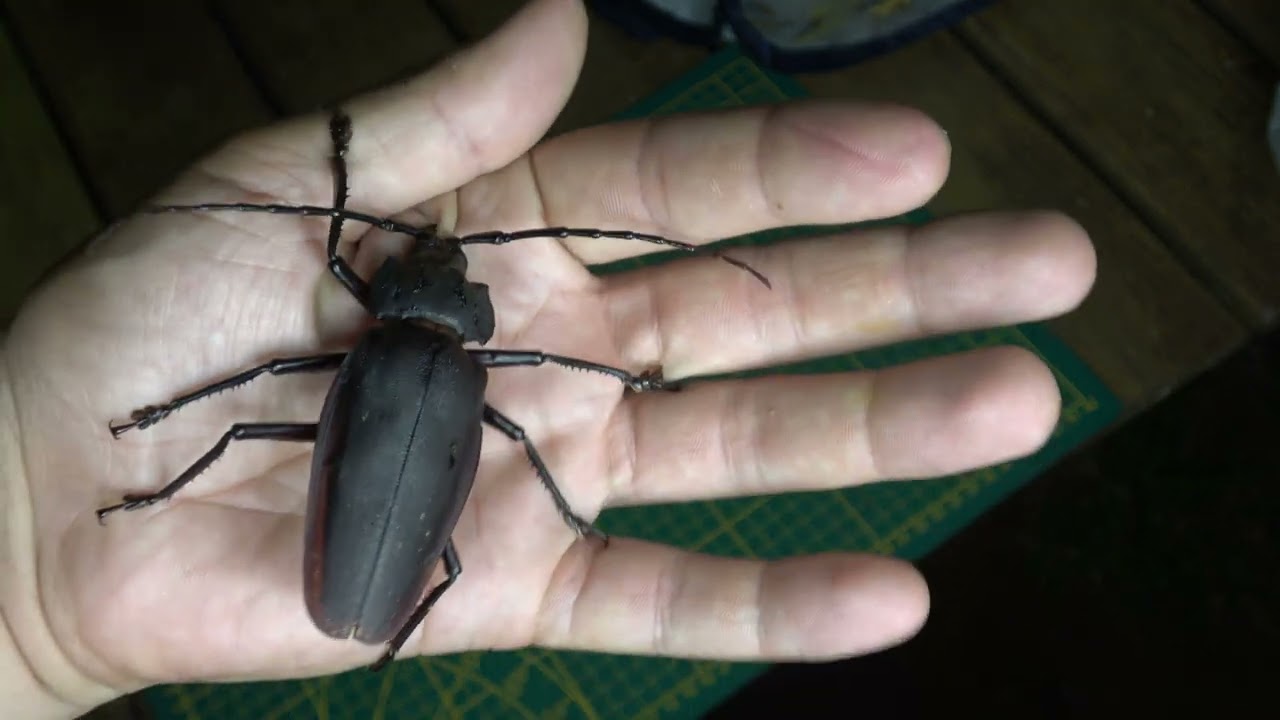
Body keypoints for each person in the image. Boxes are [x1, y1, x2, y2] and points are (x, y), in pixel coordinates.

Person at [0, 0, 1096, 716]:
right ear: (472, 316)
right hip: (383, 516)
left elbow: (280, 349)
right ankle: (367, 634)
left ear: (389, 290)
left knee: (248, 416)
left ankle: (153, 487)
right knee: (446, 543)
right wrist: (616, 385)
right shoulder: (477, 371)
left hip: (361, 476)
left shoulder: (368, 319)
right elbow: (519, 419)